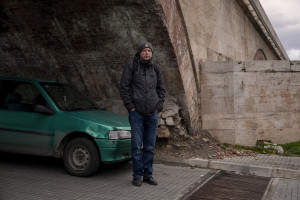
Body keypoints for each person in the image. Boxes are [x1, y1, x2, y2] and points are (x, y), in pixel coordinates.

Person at [120, 42, 166, 186]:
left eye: (149, 51)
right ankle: (137, 175)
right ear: (140, 53)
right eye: (144, 51)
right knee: (136, 147)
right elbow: (124, 87)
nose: (147, 53)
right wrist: (130, 107)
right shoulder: (131, 67)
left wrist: (159, 106)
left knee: (149, 147)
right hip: (137, 114)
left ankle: (148, 175)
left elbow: (161, 89)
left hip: (152, 113)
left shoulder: (156, 69)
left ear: (152, 53)